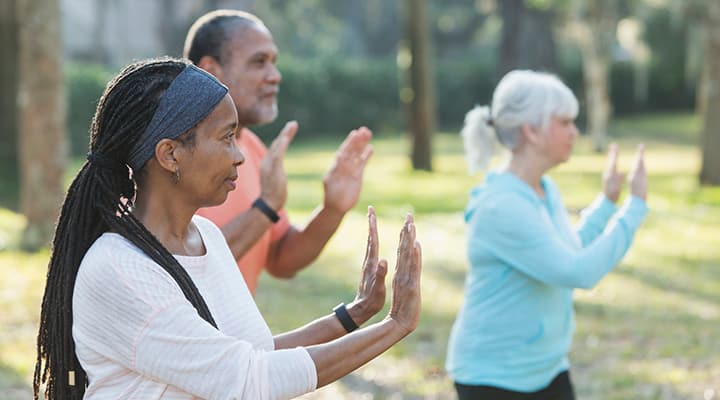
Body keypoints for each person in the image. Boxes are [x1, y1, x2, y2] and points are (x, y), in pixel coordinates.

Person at [33, 58, 422, 400]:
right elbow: (247, 382)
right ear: (170, 154)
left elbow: (255, 355)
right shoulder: (120, 269)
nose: (239, 156)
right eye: (226, 137)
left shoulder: (207, 238)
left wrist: (353, 315)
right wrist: (395, 326)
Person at [445, 70, 648, 399]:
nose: (575, 132)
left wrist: (608, 203)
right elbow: (576, 272)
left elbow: (570, 250)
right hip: (493, 378)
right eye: (565, 122)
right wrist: (634, 208)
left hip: (547, 368)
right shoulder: (502, 206)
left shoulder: (542, 189)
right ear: (532, 131)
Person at [182, 9, 372, 295]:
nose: (275, 76)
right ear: (210, 71)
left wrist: (331, 210)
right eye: (259, 62)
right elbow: (179, 271)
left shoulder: (252, 148)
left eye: (274, 62)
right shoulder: (172, 154)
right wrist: (266, 206)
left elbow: (282, 260)